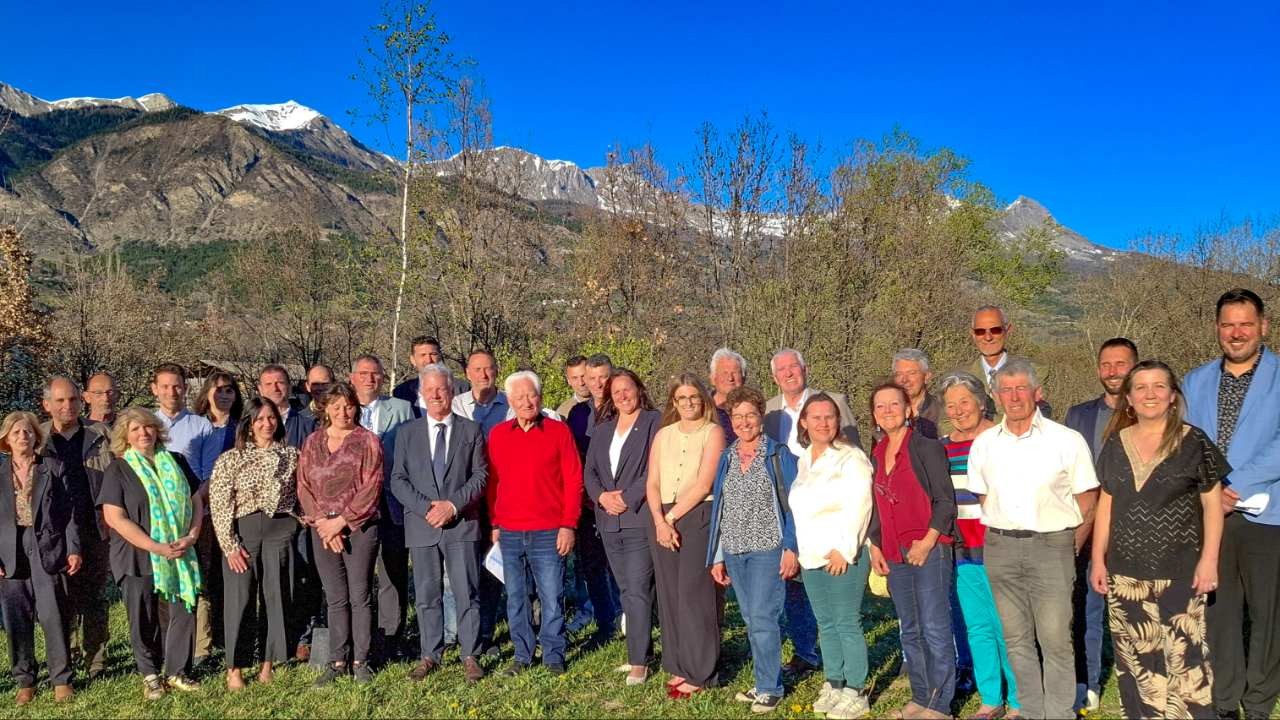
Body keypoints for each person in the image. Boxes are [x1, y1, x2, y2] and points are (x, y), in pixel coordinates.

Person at [1090, 360, 1225, 719]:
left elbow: (1213, 505)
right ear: (1129, 399)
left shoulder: (1194, 441)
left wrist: (1209, 559)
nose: (1150, 394)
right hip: (1125, 575)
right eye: (1141, 387)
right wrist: (1099, 560)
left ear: (1173, 396)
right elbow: (1107, 504)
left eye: (1159, 386)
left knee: (1187, 661)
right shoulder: (1115, 444)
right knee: (1137, 662)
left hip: (1181, 571)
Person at [967, 360, 1099, 720]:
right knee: (1016, 638)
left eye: (1021, 388)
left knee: (1055, 638)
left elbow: (1088, 497)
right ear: (996, 396)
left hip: (1052, 545)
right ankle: (1030, 711)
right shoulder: (985, 443)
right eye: (1006, 390)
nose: (1014, 397)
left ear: (1037, 393)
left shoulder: (1066, 440)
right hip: (1000, 547)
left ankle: (1059, 713)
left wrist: (1069, 545)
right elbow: (983, 496)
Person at [1182, 288, 1280, 720]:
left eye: (1245, 323)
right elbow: (1185, 441)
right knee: (1219, 613)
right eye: (1227, 324)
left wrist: (1230, 486)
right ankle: (1225, 702)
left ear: (1263, 326)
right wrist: (1209, 491)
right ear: (1217, 329)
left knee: (1267, 615)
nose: (1236, 333)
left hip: (1267, 514)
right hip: (1212, 515)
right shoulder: (1195, 380)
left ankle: (1259, 703)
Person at [763, 348, 860, 679]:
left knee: (836, 604)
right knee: (793, 583)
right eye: (782, 370)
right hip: (787, 506)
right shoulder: (769, 411)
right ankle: (806, 650)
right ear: (775, 377)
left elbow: (854, 454)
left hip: (830, 513)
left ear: (805, 369)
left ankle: (845, 669)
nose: (789, 373)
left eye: (794, 367)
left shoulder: (832, 402)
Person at [390, 363, 489, 683]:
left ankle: (470, 653)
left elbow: (481, 475)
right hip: (422, 526)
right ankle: (429, 653)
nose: (435, 395)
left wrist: (453, 505)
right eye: (429, 389)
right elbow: (398, 480)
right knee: (426, 594)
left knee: (467, 591)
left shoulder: (471, 430)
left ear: (451, 392)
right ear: (421, 393)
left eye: (441, 389)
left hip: (461, 524)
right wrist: (426, 509)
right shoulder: (406, 433)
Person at [99, 407, 204, 700]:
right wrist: (156, 547)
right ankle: (150, 675)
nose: (143, 433)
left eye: (147, 427)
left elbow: (196, 502)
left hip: (181, 551)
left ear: (156, 430)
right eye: (135, 429)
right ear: (125, 436)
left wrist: (191, 537)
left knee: (182, 612)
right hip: (137, 555)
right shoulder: (118, 469)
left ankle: (177, 672)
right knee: (143, 618)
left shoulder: (177, 461)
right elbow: (114, 517)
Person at [867, 381, 958, 720]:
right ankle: (921, 696)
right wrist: (875, 545)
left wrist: (929, 539)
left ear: (908, 410)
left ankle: (940, 704)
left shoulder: (925, 447)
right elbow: (875, 508)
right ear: (874, 416)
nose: (887, 410)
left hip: (928, 548)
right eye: (880, 406)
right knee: (911, 627)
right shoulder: (874, 456)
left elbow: (945, 500)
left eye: (894, 404)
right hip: (894, 552)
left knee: (935, 625)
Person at [708, 385, 799, 714]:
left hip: (767, 550)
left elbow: (795, 506)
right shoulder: (727, 457)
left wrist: (791, 548)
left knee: (763, 617)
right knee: (750, 618)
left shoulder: (779, 455)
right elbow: (722, 508)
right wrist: (717, 556)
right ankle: (763, 681)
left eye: (750, 414)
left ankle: (770, 688)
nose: (744, 421)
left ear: (761, 416)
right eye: (737, 416)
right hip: (734, 550)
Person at [486, 371, 583, 677]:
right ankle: (522, 655)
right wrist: (495, 522)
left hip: (549, 530)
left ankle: (554, 655)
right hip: (511, 531)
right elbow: (493, 483)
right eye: (519, 397)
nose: (526, 401)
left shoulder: (558, 432)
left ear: (540, 397)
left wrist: (569, 524)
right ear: (510, 400)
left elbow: (573, 479)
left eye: (532, 395)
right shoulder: (499, 435)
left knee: (551, 597)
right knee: (516, 598)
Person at [938, 371, 1020, 719]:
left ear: (982, 402)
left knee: (1008, 627)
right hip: (963, 551)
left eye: (965, 402)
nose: (958, 411)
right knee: (977, 626)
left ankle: (1018, 700)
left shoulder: (1003, 439)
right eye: (951, 405)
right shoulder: (943, 446)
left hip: (1001, 547)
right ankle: (991, 698)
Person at [1064, 337, 1138, 714]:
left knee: (1134, 611)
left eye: (1120, 364)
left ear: (1134, 366)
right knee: (1086, 608)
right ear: (1097, 369)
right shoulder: (1078, 415)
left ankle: (1140, 683)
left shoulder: (1148, 411)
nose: (1112, 371)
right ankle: (1087, 682)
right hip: (1088, 525)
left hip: (1135, 528)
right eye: (1106, 364)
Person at [790, 394, 876, 720]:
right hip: (811, 556)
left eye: (830, 417)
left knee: (846, 623)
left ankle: (856, 690)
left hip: (842, 553)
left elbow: (860, 504)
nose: (823, 423)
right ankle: (834, 683)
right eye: (816, 418)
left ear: (838, 421)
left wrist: (845, 548)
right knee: (826, 625)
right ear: (804, 423)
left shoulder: (850, 457)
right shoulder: (804, 459)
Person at [208, 398, 301, 691]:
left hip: (280, 529)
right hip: (243, 531)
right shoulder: (230, 458)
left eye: (271, 417)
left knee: (277, 597)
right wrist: (229, 544)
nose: (266, 424)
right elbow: (220, 504)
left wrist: (300, 518)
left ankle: (267, 665)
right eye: (259, 419)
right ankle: (235, 669)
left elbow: (306, 491)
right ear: (248, 424)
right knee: (240, 599)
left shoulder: (292, 455)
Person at [296, 381, 384, 688]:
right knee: (334, 598)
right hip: (322, 530)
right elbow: (304, 486)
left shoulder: (368, 441)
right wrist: (323, 522)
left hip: (359, 527)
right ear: (326, 409)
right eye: (336, 407)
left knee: (359, 595)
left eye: (348, 406)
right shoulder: (312, 442)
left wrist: (342, 521)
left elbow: (372, 486)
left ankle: (361, 660)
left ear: (356, 407)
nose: (343, 412)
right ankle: (337, 661)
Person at [645, 373, 726, 699]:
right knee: (670, 596)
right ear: (674, 402)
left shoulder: (713, 432)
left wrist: (671, 518)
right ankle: (679, 664)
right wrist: (658, 520)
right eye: (682, 398)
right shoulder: (663, 434)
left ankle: (702, 671)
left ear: (703, 399)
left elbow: (704, 484)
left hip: (695, 516)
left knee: (694, 595)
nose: (689, 403)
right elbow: (652, 481)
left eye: (694, 397)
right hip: (661, 518)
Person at [583, 369, 662, 685]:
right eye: (616, 392)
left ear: (639, 389)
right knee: (629, 588)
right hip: (608, 520)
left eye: (627, 389)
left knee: (638, 590)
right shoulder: (603, 429)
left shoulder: (655, 422)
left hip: (639, 516)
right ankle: (646, 649)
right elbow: (589, 471)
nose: (623, 396)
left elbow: (655, 468)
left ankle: (638, 663)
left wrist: (626, 498)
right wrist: (601, 497)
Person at [0, 411, 80, 705]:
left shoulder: (53, 468)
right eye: (16, 432)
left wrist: (73, 548)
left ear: (36, 436)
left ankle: (61, 679)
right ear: (6, 440)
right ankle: (25, 680)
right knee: (16, 618)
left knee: (53, 614)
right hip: (10, 551)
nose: (23, 436)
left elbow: (70, 513)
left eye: (28, 432)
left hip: (47, 545)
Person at [39, 377, 114, 681]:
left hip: (96, 525)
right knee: (61, 599)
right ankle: (64, 661)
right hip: (55, 532)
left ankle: (96, 662)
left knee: (96, 596)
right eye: (59, 401)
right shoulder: (37, 439)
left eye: (72, 399)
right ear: (47, 405)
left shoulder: (101, 436)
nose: (67, 406)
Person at [150, 363, 219, 670]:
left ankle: (200, 647)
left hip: (193, 515)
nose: (171, 392)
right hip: (154, 519)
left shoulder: (201, 426)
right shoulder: (145, 424)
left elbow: (209, 474)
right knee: (162, 582)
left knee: (196, 579)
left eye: (177, 386)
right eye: (165, 386)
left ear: (186, 388)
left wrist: (191, 511)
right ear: (154, 389)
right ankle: (166, 644)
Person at [348, 355, 414, 660]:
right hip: (353, 506)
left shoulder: (400, 409)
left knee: (392, 571)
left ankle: (390, 636)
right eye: (363, 373)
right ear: (352, 377)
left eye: (375, 374)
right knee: (357, 573)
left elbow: (414, 451)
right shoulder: (342, 410)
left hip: (391, 501)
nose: (369, 379)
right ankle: (358, 634)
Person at [452, 349, 515, 655]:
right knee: (465, 570)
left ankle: (487, 631)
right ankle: (465, 632)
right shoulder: (456, 406)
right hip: (464, 498)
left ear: (496, 371)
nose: (483, 375)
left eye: (488, 369)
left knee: (493, 568)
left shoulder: (511, 405)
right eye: (477, 370)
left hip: (499, 497)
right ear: (468, 373)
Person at [563, 352, 621, 642]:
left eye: (603, 377)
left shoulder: (624, 408)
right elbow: (574, 460)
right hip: (588, 504)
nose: (598, 384)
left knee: (623, 567)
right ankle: (604, 625)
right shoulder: (576, 414)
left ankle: (632, 619)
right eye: (592, 378)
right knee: (593, 567)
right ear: (583, 380)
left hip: (621, 501)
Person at [950, 306, 1052, 421]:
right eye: (980, 331)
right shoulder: (957, 376)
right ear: (973, 334)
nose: (988, 337)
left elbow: (1039, 415)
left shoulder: (1034, 370)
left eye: (995, 330)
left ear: (1007, 331)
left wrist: (977, 421)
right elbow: (946, 424)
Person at [292, 364, 328, 662]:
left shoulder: (343, 418)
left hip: (338, 515)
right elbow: (299, 473)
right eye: (315, 384)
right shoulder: (297, 420)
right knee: (306, 575)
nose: (320, 388)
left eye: (325, 383)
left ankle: (328, 636)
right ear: (307, 387)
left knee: (333, 580)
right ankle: (305, 636)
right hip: (306, 513)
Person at [392, 336, 471, 417]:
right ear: (413, 360)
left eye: (433, 354)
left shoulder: (461, 387)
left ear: (440, 356)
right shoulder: (402, 391)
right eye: (422, 355)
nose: (429, 360)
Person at [889, 349, 944, 439]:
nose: (904, 380)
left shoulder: (943, 410)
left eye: (912, 373)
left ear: (927, 376)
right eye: (899, 374)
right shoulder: (886, 414)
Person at [259, 365, 316, 450]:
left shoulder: (308, 426)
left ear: (289, 388)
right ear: (260, 390)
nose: (274, 388)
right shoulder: (248, 426)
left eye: (280, 383)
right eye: (268, 384)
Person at [195, 371, 243, 453]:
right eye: (219, 391)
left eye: (229, 391)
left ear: (235, 396)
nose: (224, 396)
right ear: (206, 395)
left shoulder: (242, 427)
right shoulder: (195, 425)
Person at [709, 348, 748, 441]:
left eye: (735, 372)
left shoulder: (753, 408)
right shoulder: (702, 408)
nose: (730, 378)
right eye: (724, 373)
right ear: (713, 378)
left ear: (743, 377)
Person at [556, 355, 591, 420]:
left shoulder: (610, 405)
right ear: (568, 381)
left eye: (584, 376)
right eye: (574, 378)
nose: (581, 383)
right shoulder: (560, 412)